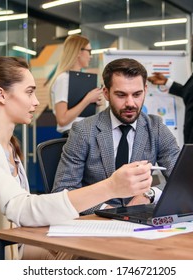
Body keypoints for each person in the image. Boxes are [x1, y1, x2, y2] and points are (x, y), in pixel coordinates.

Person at [0, 56, 153, 259]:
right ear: (1, 95)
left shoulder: (9, 147)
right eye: (29, 92)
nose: (35, 102)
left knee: (92, 252)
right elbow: (23, 209)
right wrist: (111, 187)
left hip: (12, 251)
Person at [52, 58, 180, 215]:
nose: (130, 103)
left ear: (145, 90)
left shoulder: (156, 128)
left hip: (141, 220)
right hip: (96, 222)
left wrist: (149, 194)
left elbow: (182, 179)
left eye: (137, 94)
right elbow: (63, 191)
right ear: (106, 93)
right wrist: (107, 210)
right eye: (121, 95)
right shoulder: (83, 131)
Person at [49, 34, 104, 136]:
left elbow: (81, 115)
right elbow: (62, 119)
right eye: (89, 51)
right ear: (79, 52)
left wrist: (94, 104)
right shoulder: (63, 79)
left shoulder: (80, 79)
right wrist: (87, 99)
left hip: (86, 134)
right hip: (71, 137)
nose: (91, 56)